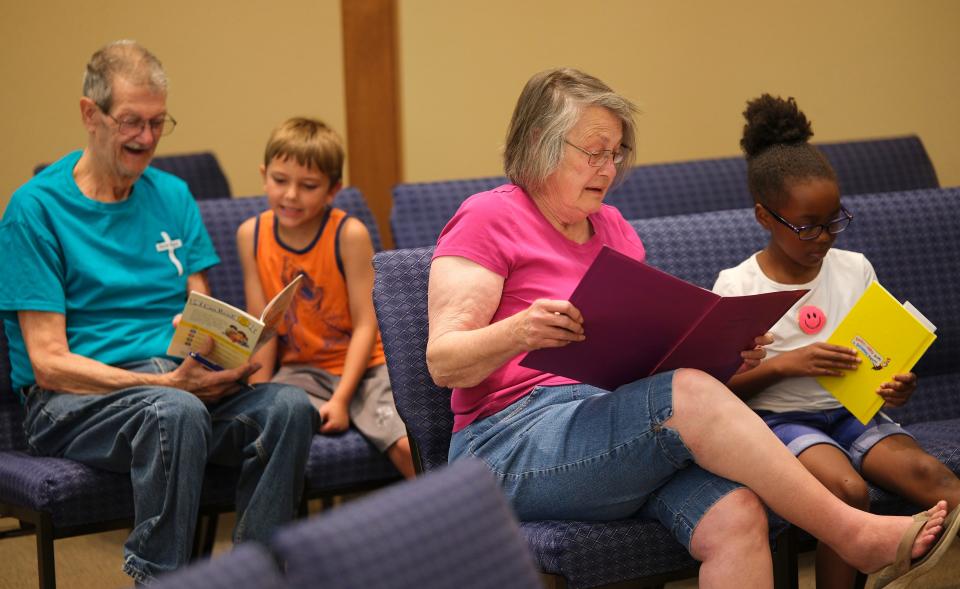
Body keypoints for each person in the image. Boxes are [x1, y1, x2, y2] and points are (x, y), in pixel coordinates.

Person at [427, 67, 956, 588]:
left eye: (617, 153)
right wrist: (521, 331)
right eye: (594, 152)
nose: (609, 169)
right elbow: (444, 361)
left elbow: (641, 359)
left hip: (604, 423)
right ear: (540, 140)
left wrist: (727, 354)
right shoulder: (487, 217)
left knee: (738, 514)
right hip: (507, 443)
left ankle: (851, 532)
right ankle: (855, 535)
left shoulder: (614, 228)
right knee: (689, 395)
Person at [0, 41, 315, 584]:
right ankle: (161, 577)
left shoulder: (172, 195)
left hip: (172, 384)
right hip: (73, 402)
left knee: (288, 406)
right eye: (131, 122)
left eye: (157, 122)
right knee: (176, 411)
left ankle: (255, 575)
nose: (147, 139)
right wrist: (171, 385)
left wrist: (229, 349)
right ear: (89, 115)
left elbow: (198, 318)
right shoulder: (35, 210)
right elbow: (48, 363)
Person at [712, 93, 960, 589]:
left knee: (940, 483)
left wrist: (898, 384)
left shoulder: (855, 268)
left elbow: (881, 355)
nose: (824, 239)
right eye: (807, 227)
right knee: (847, 491)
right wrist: (787, 364)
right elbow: (717, 395)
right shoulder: (737, 287)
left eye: (833, 222)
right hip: (781, 419)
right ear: (765, 217)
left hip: (855, 410)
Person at [237, 117, 414, 479]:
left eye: (308, 186)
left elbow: (367, 324)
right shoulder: (250, 234)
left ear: (333, 190)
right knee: (270, 428)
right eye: (280, 180)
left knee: (407, 446)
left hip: (367, 368)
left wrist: (341, 400)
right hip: (303, 372)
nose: (290, 195)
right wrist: (257, 392)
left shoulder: (349, 233)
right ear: (263, 175)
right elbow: (263, 325)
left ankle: (452, 528)